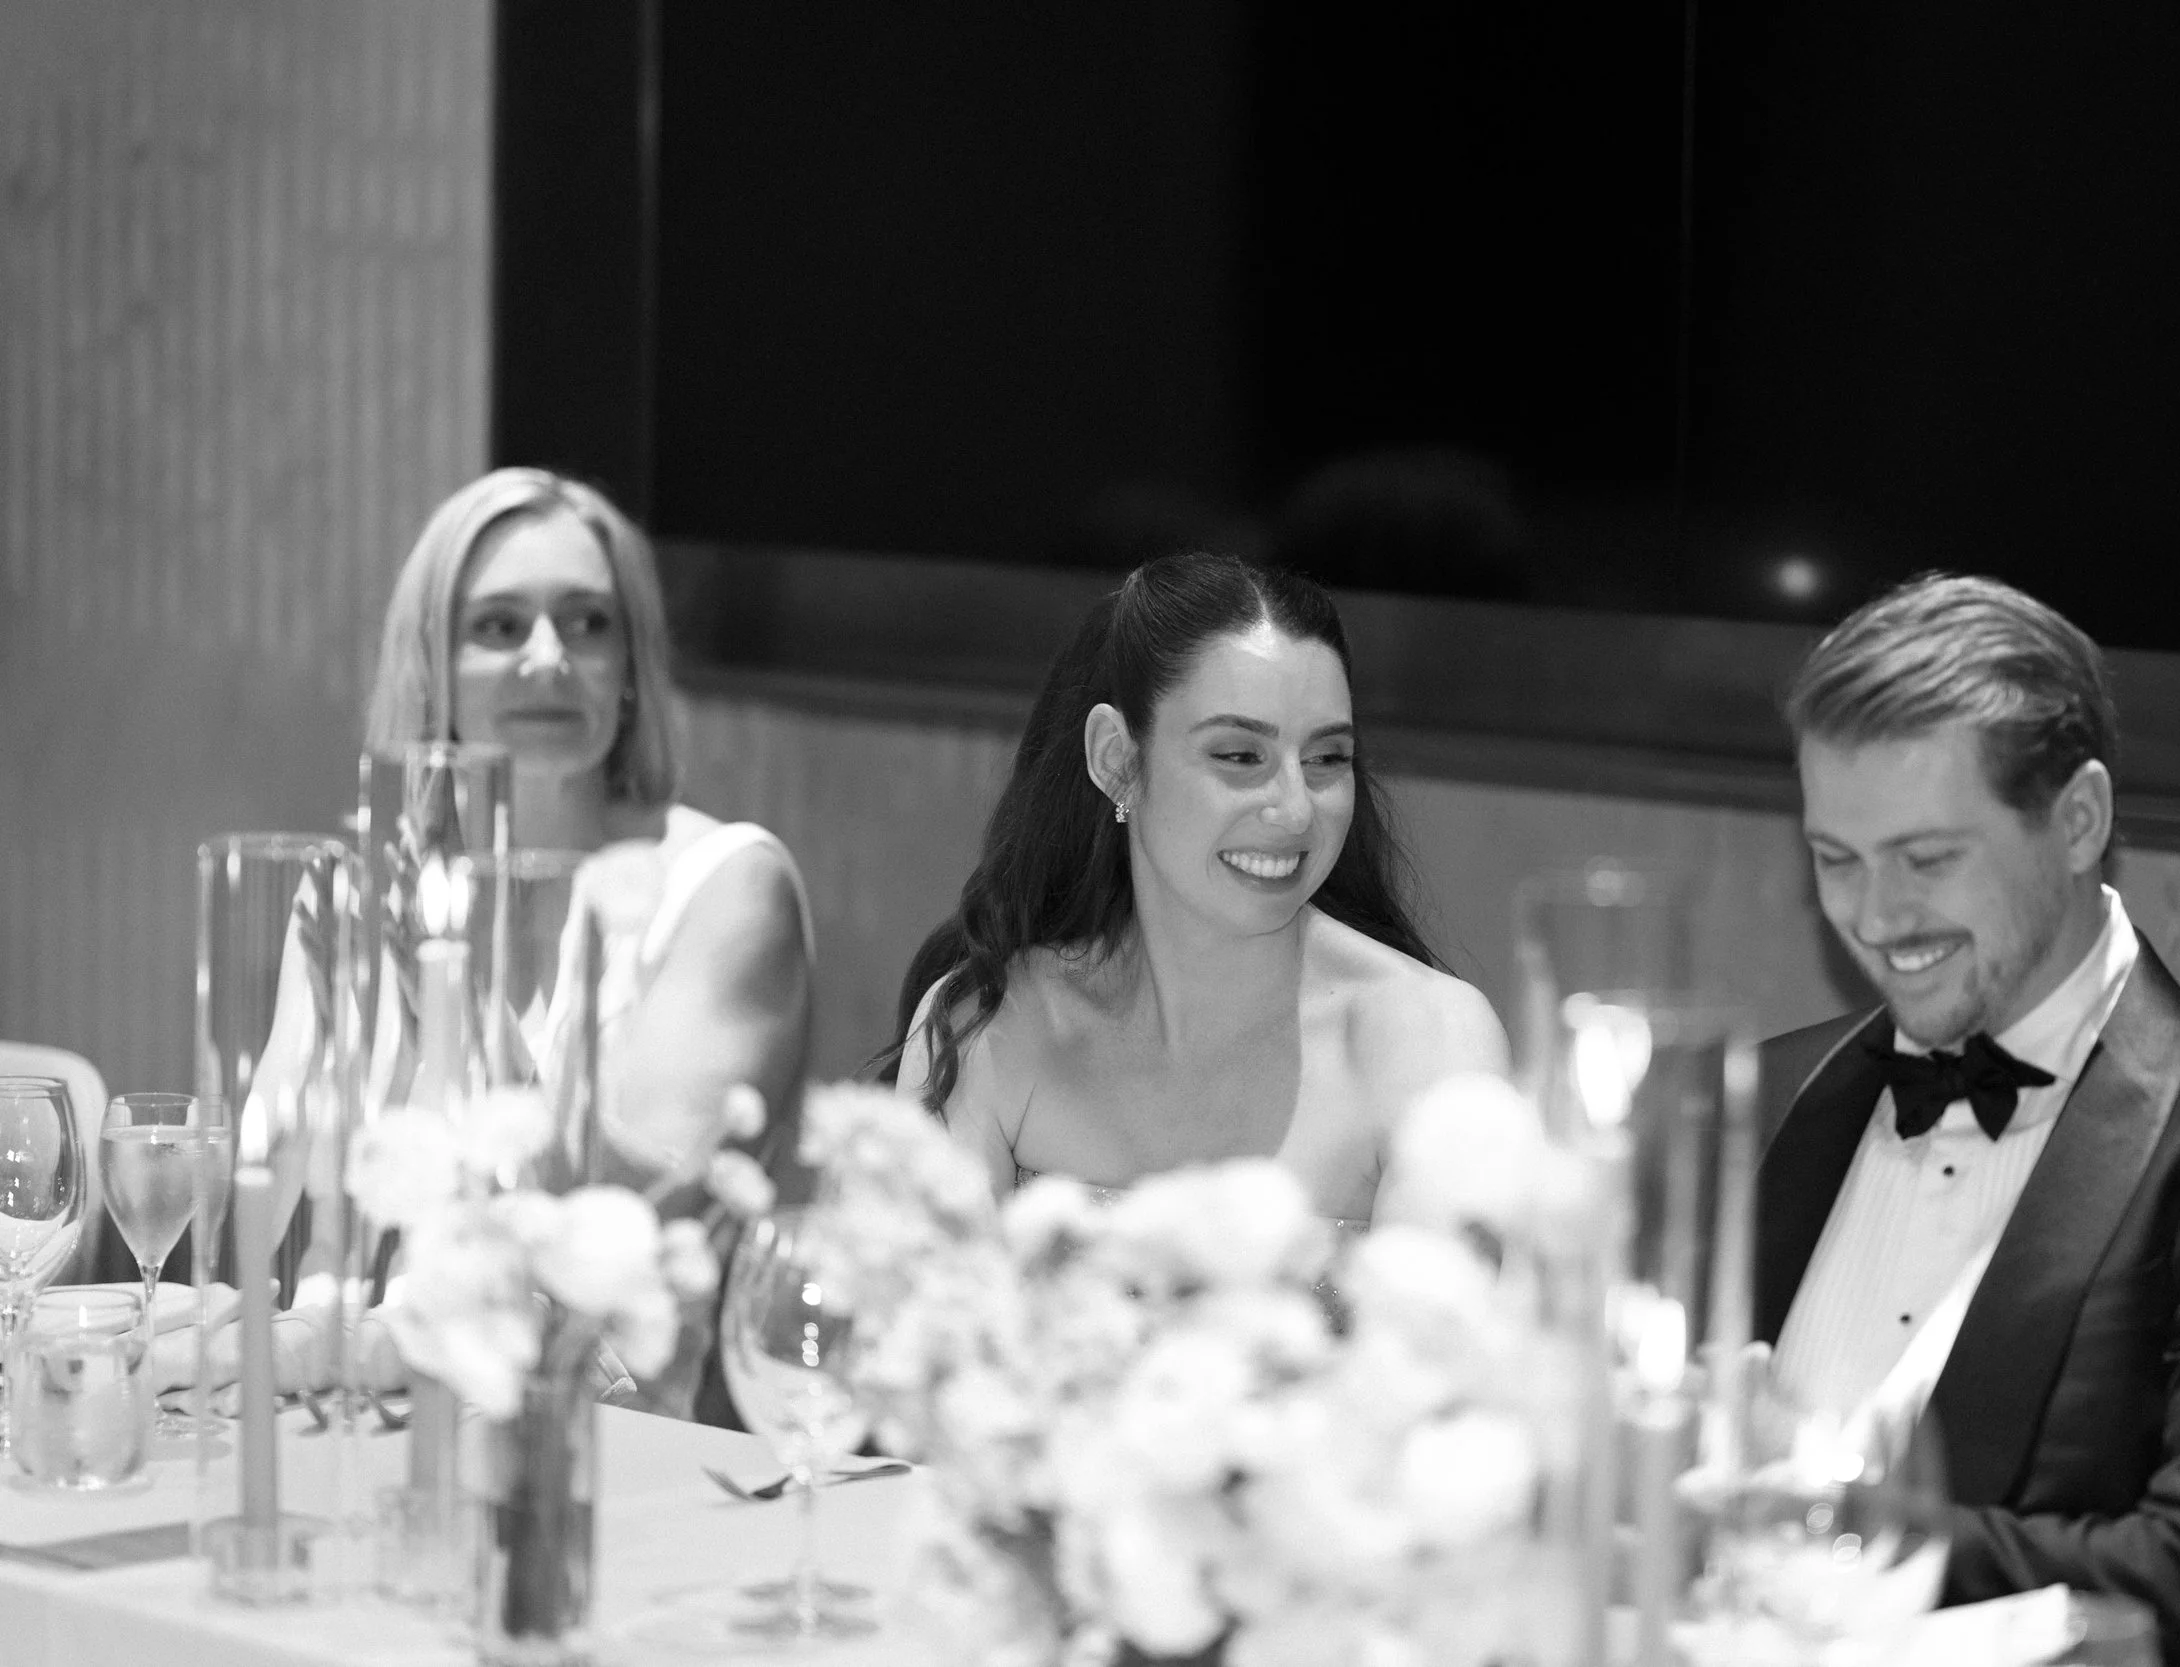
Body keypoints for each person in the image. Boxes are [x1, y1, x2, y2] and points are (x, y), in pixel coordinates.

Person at [1754, 572, 2180, 1667]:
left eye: (1926, 858)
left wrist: (1814, 1528)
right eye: (1835, 861)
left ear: (2077, 820)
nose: (1874, 916)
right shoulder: (1767, 1099)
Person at [167, 468, 813, 1421]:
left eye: (588, 622)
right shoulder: (362, 879)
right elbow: (259, 1195)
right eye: (500, 625)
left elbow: (614, 1247)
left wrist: (453, 984)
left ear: (631, 664)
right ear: (430, 664)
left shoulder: (725, 886)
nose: (548, 656)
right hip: (338, 1421)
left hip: (594, 1455)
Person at [881, 552, 1505, 1224]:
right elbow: (918, 1316)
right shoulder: (989, 1023)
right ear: (1117, 759)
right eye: (1240, 756)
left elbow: (1443, 1326)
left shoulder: (1431, 1041)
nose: (1295, 810)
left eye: (1327, 759)